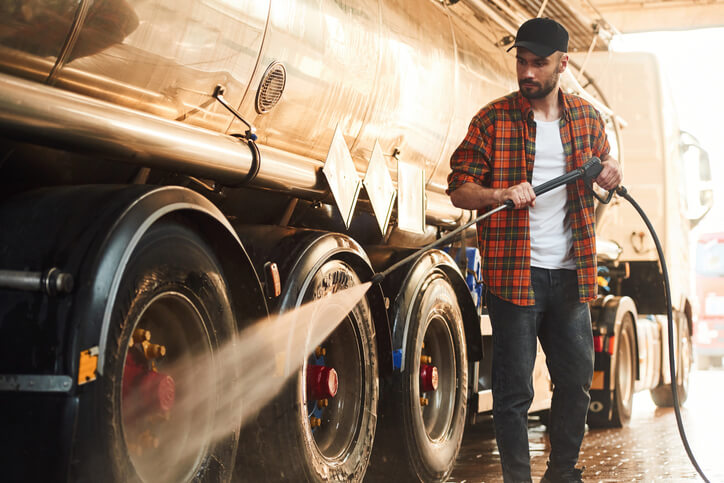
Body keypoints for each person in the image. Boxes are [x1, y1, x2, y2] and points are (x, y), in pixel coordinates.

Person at [446, 17, 622, 483]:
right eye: (521, 62)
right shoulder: (492, 119)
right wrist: (500, 193)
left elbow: (606, 169)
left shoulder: (587, 119)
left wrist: (611, 170)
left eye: (537, 64)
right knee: (513, 394)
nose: (526, 72)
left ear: (562, 64)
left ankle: (562, 473)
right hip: (512, 273)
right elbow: (460, 190)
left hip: (571, 275)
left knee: (577, 385)